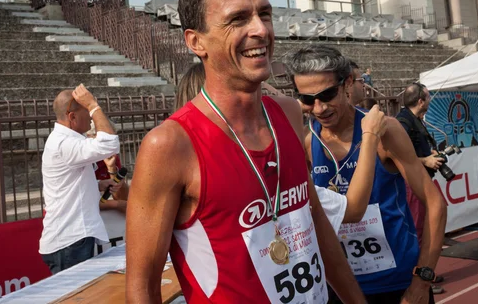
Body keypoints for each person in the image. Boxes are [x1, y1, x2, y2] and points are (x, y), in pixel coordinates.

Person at [125, 0, 366, 303]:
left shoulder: (288, 112)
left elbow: (315, 222)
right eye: (238, 19)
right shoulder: (170, 145)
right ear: (196, 41)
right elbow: (141, 286)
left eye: (264, 14)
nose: (261, 30)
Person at [284, 47, 447, 304]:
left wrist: (422, 280)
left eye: (327, 94)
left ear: (347, 82)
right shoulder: (307, 141)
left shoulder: (385, 130)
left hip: (398, 283)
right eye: (307, 99)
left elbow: (435, 203)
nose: (319, 107)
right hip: (340, 286)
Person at [178, 58, 388, 234]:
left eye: (327, 94)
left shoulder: (188, 170)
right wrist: (369, 136)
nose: (259, 110)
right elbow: (352, 211)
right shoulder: (279, 179)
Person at [39, 84, 120, 274]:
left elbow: (70, 181)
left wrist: (98, 184)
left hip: (72, 239)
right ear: (72, 117)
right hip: (70, 241)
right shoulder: (64, 143)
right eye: (86, 112)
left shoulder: (68, 140)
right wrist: (93, 105)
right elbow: (110, 144)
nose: (92, 119)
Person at [396, 83, 445, 293]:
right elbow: (395, 153)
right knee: (418, 231)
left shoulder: (414, 120)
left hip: (421, 182)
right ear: (420, 101)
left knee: (429, 226)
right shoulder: (402, 122)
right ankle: (419, 281)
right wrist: (425, 161)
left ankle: (425, 274)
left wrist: (430, 154)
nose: (430, 100)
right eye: (428, 97)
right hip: (413, 184)